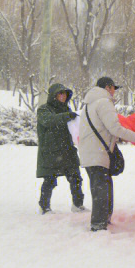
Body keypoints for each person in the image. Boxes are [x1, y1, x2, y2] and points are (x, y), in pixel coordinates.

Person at [78, 76, 135, 231]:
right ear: (108, 87)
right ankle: (98, 224)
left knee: (101, 187)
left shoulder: (89, 104)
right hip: (97, 153)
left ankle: (103, 220)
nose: (114, 91)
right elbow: (114, 128)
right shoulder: (103, 102)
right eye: (114, 88)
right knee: (102, 189)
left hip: (91, 152)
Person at [35, 82, 84, 214]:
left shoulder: (67, 110)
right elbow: (49, 121)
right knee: (50, 180)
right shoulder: (44, 109)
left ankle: (78, 205)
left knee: (76, 177)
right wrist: (67, 116)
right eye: (60, 93)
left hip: (67, 150)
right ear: (53, 95)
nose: (63, 96)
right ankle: (44, 207)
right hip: (50, 151)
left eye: (65, 93)